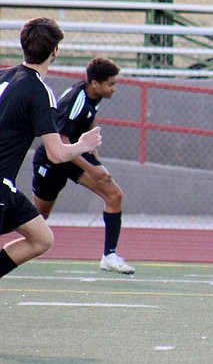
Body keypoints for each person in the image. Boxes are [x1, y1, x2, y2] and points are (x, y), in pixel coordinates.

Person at [0, 17, 102, 279]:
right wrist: (83, 145)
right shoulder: (39, 91)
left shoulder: (3, 76)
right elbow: (56, 154)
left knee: (41, 238)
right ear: (54, 51)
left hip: (7, 188)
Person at [32, 57, 134, 275]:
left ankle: (109, 256)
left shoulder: (94, 96)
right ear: (95, 83)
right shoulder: (75, 101)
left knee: (114, 194)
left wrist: (94, 156)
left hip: (74, 155)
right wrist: (92, 168)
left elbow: (89, 121)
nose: (114, 89)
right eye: (111, 84)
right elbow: (61, 142)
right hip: (53, 159)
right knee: (37, 218)